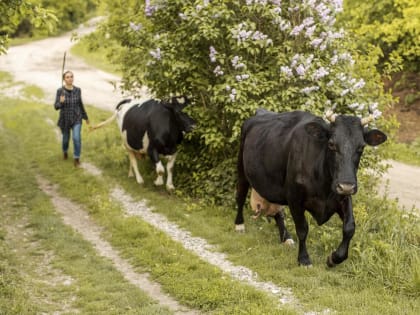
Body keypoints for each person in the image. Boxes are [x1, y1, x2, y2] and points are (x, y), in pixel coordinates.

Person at [54, 70, 89, 167]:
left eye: (71, 76)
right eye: (67, 77)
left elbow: (80, 104)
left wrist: (85, 116)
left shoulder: (78, 90)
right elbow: (56, 107)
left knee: (76, 138)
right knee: (65, 139)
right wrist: (60, 102)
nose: (70, 79)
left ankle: (76, 158)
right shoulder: (60, 91)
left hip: (76, 118)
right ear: (64, 79)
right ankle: (65, 151)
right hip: (65, 119)